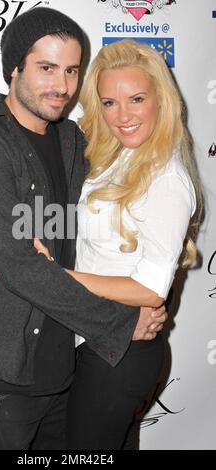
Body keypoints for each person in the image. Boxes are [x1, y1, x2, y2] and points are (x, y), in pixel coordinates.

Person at [0, 9, 166, 451]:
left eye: (70, 71)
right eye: (46, 68)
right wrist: (122, 322)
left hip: (65, 370)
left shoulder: (72, 140)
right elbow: (20, 267)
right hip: (0, 374)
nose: (62, 86)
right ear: (14, 68)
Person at [34, 39, 202, 449]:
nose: (122, 115)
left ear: (161, 99)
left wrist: (59, 277)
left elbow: (149, 289)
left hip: (120, 353)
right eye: (109, 103)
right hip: (99, 339)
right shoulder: (113, 156)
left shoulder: (165, 179)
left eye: (137, 99)